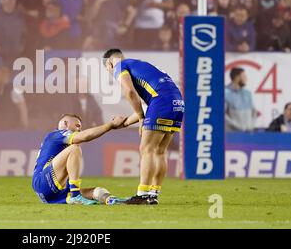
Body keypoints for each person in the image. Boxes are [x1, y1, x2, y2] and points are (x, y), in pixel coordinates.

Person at [103, 49, 184, 205]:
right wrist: (126, 122)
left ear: (109, 63)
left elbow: (130, 92)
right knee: (159, 151)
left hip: (161, 102)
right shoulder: (138, 65)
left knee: (147, 149)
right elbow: (150, 106)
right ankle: (153, 194)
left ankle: (142, 194)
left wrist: (140, 117)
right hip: (177, 103)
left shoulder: (119, 66)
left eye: (108, 70)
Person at [32, 113, 127, 205]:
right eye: (77, 125)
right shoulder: (56, 134)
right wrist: (110, 125)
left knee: (97, 192)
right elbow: (85, 136)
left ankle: (111, 200)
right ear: (65, 123)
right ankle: (75, 195)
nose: (79, 129)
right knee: (74, 148)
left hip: (54, 193)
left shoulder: (61, 141)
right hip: (43, 183)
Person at [225, 67, 257, 132]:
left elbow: (254, 111)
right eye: (244, 76)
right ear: (237, 77)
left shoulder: (247, 93)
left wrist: (251, 125)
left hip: (248, 134)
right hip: (232, 135)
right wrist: (237, 126)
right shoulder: (226, 94)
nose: (246, 79)